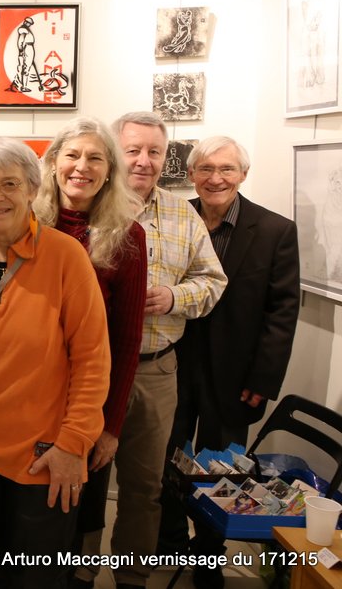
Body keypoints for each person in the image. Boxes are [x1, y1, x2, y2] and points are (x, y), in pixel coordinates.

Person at [0, 136, 110, 589]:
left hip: (44, 450)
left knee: (37, 575)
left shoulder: (66, 256)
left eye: (9, 184)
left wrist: (73, 444)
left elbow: (92, 360)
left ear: (33, 189)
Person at [160, 136, 300, 589]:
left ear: (243, 174)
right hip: (173, 364)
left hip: (238, 376)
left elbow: (282, 311)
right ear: (191, 175)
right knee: (166, 456)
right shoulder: (172, 217)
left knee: (223, 468)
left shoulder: (276, 230)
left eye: (226, 169)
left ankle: (208, 556)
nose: (215, 178)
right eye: (205, 169)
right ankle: (169, 542)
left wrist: (264, 378)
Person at [102, 112, 227, 589]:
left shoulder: (182, 214)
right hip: (93, 372)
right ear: (115, 152)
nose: (144, 160)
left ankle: (132, 576)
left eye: (154, 151)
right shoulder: (90, 207)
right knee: (83, 482)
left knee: (144, 487)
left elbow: (213, 281)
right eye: (133, 149)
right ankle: (77, 571)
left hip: (155, 371)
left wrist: (175, 297)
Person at [34, 118, 148, 588]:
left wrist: (111, 426)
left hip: (87, 402)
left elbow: (126, 339)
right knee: (31, 509)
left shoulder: (128, 236)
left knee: (79, 507)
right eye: (72, 155)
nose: (82, 166)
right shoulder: (26, 224)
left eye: (95, 158)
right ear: (53, 163)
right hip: (29, 397)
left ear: (109, 172)